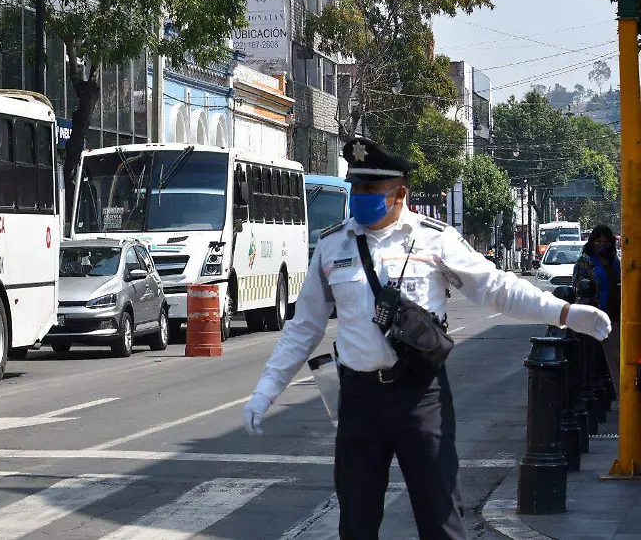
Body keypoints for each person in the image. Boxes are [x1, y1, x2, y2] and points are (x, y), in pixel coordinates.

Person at [241, 137, 611, 540]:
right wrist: (266, 390)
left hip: (421, 398)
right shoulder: (332, 246)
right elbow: (303, 326)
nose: (360, 197)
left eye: (370, 189)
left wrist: (564, 313)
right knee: (356, 524)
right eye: (356, 188)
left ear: (399, 192)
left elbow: (497, 288)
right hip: (359, 402)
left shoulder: (435, 239)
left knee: (441, 521)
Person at [573, 224, 621, 394]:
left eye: (605, 241)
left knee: (618, 358)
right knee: (612, 360)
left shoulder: (615, 262)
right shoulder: (585, 262)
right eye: (598, 241)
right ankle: (621, 395)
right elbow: (578, 286)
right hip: (598, 317)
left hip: (618, 315)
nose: (602, 244)